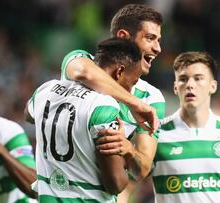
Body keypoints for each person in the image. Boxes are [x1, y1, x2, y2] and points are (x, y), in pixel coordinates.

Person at [25, 38, 143, 202]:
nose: (131, 90)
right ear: (119, 72)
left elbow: (28, 115)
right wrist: (127, 149)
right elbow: (116, 183)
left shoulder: (46, 89)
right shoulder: (104, 107)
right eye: (133, 82)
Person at [61, 3, 165, 182]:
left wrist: (129, 150)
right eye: (150, 38)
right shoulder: (81, 60)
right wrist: (135, 103)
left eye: (158, 40)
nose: (158, 48)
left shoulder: (152, 98)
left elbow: (141, 170)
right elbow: (84, 72)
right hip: (58, 186)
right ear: (123, 37)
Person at [152, 51, 220, 202]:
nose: (190, 85)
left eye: (198, 78)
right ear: (175, 87)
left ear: (213, 86)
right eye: (183, 79)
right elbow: (129, 183)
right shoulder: (157, 131)